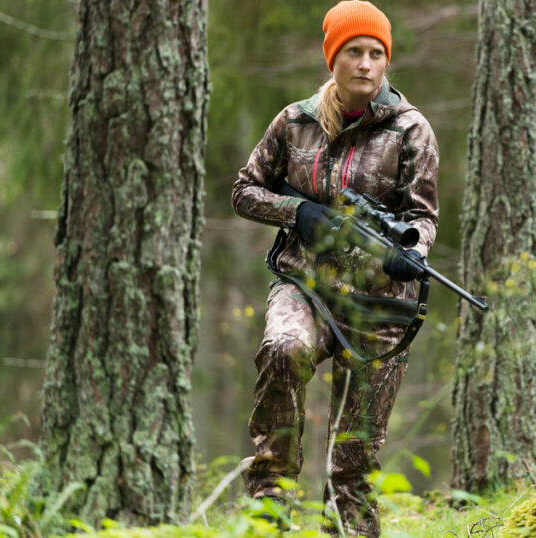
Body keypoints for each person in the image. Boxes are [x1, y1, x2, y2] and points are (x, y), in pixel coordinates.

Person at [231, 1, 438, 534]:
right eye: (354, 52)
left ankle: (345, 530)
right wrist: (297, 211)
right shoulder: (295, 122)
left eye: (376, 53)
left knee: (354, 460)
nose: (366, 64)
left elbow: (423, 218)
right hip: (304, 283)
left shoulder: (412, 130)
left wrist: (409, 252)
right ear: (334, 59)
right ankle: (268, 512)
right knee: (284, 349)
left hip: (380, 305)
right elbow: (244, 191)